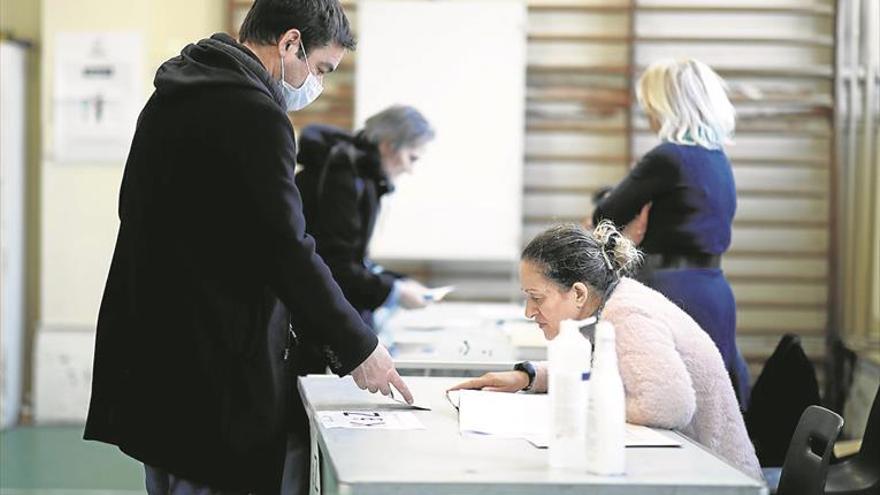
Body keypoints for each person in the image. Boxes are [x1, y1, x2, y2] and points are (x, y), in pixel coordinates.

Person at [83, 1, 411, 493]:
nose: (317, 86)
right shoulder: (253, 113)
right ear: (289, 43)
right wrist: (359, 346)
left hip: (159, 350)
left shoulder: (178, 90)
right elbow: (285, 246)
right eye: (320, 69)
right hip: (210, 367)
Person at [450, 223, 763, 480]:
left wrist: (576, 400)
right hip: (685, 469)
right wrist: (527, 376)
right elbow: (595, 371)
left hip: (720, 480)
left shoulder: (627, 315)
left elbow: (669, 406)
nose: (529, 311)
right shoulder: (607, 307)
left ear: (578, 293)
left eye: (537, 298)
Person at [590, 58, 751, 407]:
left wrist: (608, 202)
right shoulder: (717, 159)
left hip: (670, 289)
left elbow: (605, 215)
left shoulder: (668, 157)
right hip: (714, 289)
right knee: (710, 401)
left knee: (665, 397)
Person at [295, 105, 435, 335]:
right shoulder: (343, 179)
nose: (410, 170)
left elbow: (352, 259)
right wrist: (394, 292)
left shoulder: (352, 173)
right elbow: (336, 266)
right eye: (412, 158)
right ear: (389, 146)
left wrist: (397, 282)